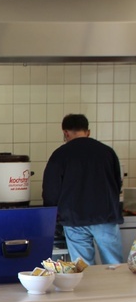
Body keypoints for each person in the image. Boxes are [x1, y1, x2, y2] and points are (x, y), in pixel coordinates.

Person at [42, 113, 123, 265]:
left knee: (83, 267)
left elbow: (51, 191)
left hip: (74, 219)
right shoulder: (107, 152)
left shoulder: (60, 155)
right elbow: (117, 183)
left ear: (65, 133)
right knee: (114, 264)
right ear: (88, 132)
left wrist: (52, 215)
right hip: (105, 216)